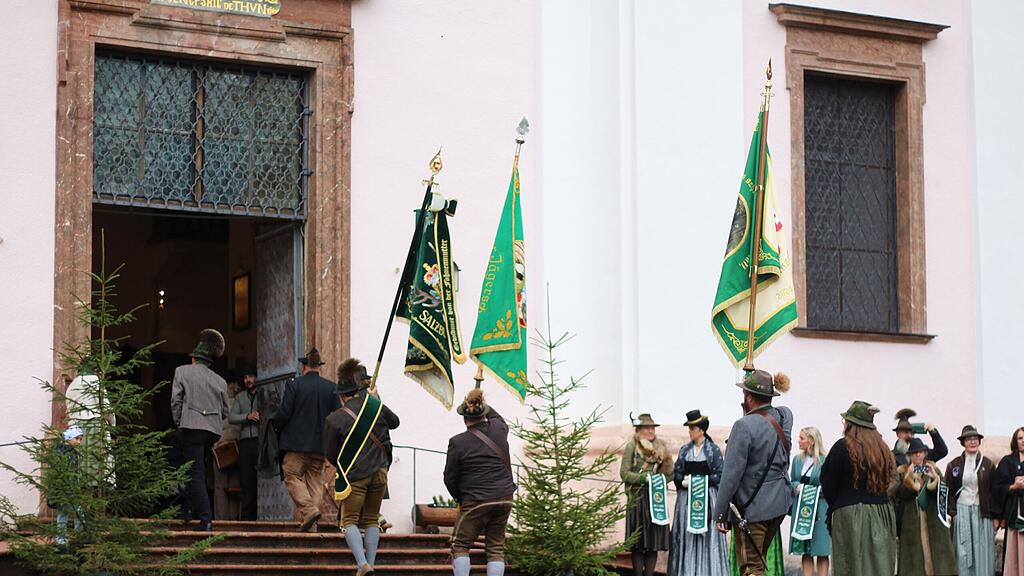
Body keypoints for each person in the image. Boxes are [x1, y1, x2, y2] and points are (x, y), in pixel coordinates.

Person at [323, 358, 399, 576]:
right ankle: (371, 564)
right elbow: (395, 422)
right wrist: (378, 400)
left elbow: (330, 454)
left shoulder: (334, 419)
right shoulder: (376, 407)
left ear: (341, 395)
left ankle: (362, 564)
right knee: (372, 519)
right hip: (380, 473)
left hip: (354, 475)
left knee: (349, 521)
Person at [713, 370, 793, 576]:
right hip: (779, 504)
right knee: (758, 560)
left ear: (748, 397)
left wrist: (721, 513)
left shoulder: (743, 426)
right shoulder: (784, 416)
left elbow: (731, 474)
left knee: (751, 568)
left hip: (754, 508)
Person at [444, 388, 517, 576]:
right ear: (484, 414)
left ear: (464, 418)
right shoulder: (499, 430)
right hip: (505, 497)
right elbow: (498, 418)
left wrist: (459, 498)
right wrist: (479, 402)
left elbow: (450, 477)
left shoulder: (457, 442)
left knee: (460, 545)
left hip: (476, 500)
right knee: (495, 548)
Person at [820, 401, 896, 576]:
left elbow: (828, 482)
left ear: (850, 424)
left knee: (851, 565)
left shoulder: (842, 447)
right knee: (879, 564)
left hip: (849, 514)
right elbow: (891, 480)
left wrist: (840, 503)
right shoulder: (883, 449)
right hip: (882, 511)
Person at [273, 346, 340, 532]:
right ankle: (311, 526)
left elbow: (284, 413)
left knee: (291, 476)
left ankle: (309, 511)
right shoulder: (331, 387)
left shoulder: (294, 385)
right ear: (319, 366)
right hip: (320, 447)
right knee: (316, 484)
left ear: (304, 366)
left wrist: (275, 426)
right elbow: (337, 417)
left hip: (296, 445)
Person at [170, 328, 229, 532]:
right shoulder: (220, 381)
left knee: (194, 472)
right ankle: (187, 510)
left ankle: (206, 518)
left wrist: (180, 422)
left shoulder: (182, 371)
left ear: (194, 358)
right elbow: (225, 410)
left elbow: (175, 401)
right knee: (197, 469)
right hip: (211, 431)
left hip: (191, 427)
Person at [668, 409, 728, 576]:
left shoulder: (713, 450)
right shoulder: (684, 450)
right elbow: (677, 472)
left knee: (706, 535)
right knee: (687, 535)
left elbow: (719, 474)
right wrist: (683, 482)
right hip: (686, 502)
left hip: (706, 501)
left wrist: (701, 482)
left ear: (701, 430)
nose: (690, 432)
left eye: (692, 428)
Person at [891, 438, 957, 576]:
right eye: (914, 453)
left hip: (934, 523)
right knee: (914, 562)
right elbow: (899, 495)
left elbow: (943, 493)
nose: (918, 455)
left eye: (920, 452)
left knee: (938, 561)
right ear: (909, 455)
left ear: (925, 453)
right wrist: (909, 480)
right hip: (911, 522)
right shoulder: (902, 471)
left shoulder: (933, 469)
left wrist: (934, 479)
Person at [620, 413, 673, 576]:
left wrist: (660, 480)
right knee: (638, 544)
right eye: (647, 428)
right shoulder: (632, 447)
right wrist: (644, 478)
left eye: (652, 428)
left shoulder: (661, 447)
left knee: (653, 543)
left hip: (656, 500)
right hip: (638, 499)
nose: (651, 431)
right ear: (639, 429)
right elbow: (624, 473)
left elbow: (671, 472)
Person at [945, 424, 996, 576]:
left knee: (983, 550)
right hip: (962, 511)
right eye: (968, 439)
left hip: (982, 512)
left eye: (975, 439)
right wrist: (952, 513)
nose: (972, 442)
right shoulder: (954, 465)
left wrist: (996, 516)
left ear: (979, 441)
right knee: (963, 550)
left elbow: (994, 491)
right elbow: (948, 491)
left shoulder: (988, 464)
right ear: (963, 442)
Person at [789, 427, 830, 576]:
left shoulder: (825, 461)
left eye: (802, 438)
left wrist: (813, 491)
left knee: (821, 549)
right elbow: (792, 480)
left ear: (812, 441)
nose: (798, 441)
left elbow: (829, 485)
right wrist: (796, 486)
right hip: (802, 510)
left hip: (820, 509)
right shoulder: (797, 460)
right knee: (805, 550)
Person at [228, 365, 260, 521]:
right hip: (246, 442)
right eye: (246, 377)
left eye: (251, 377)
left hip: (262, 441)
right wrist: (247, 416)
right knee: (247, 480)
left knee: (263, 479)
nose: (248, 380)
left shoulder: (264, 395)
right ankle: (248, 517)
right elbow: (231, 417)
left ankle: (265, 515)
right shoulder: (240, 397)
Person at [993, 426, 1024, 576]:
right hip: (1014, 513)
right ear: (1015, 441)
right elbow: (997, 487)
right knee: (1013, 552)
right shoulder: (1007, 461)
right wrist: (1013, 486)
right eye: (1020, 438)